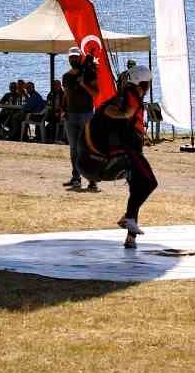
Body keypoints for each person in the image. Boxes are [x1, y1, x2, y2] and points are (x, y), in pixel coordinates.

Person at [82, 66, 157, 248]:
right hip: (129, 150)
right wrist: (124, 114)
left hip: (132, 148)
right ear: (144, 84)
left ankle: (130, 237)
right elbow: (108, 109)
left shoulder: (132, 95)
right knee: (149, 183)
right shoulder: (128, 95)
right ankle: (129, 219)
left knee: (137, 189)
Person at [61, 50, 97, 192]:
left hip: (86, 115)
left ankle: (92, 180)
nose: (73, 59)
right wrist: (63, 109)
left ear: (80, 57)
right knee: (74, 149)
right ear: (68, 59)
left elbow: (96, 93)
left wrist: (84, 84)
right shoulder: (66, 76)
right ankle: (76, 178)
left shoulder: (88, 74)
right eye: (71, 57)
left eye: (76, 56)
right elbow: (66, 95)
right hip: (70, 115)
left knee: (87, 148)